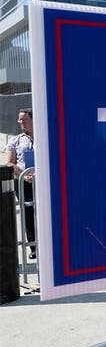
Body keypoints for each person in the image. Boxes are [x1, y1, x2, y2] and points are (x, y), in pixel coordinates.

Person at [5, 108, 36, 259]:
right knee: (28, 213)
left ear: (32, 120)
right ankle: (34, 247)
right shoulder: (15, 140)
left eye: (23, 119)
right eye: (19, 119)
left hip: (43, 181)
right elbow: (9, 163)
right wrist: (23, 176)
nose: (20, 122)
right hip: (23, 181)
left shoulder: (46, 137)